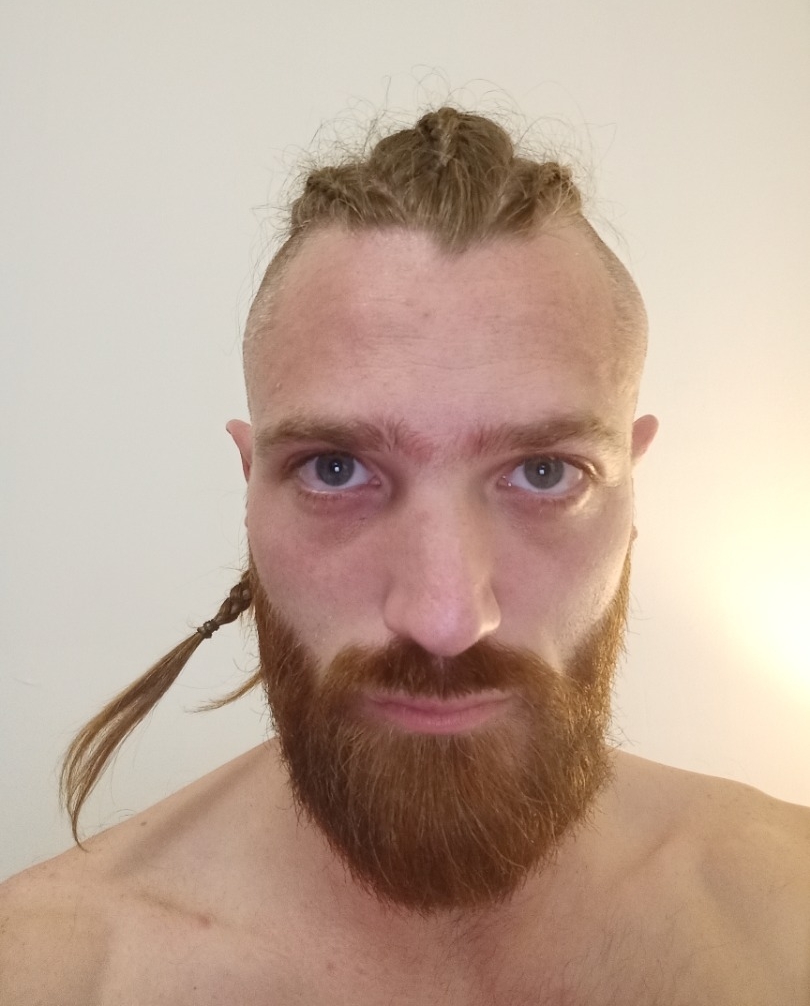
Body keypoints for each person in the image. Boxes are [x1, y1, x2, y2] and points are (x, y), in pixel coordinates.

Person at [1, 106, 807, 1005]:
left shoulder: (789, 919)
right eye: (335, 470)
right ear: (251, 487)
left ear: (632, 489)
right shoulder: (52, 974)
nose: (445, 618)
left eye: (545, 472)